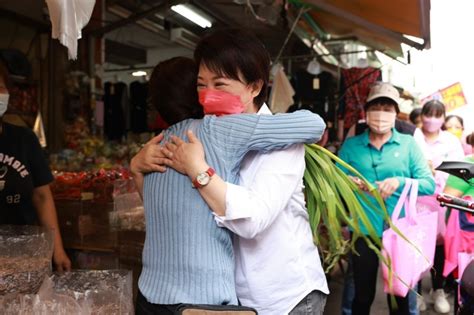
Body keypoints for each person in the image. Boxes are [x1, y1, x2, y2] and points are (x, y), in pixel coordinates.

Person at [142, 28, 329, 314]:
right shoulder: (205, 135)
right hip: (236, 298)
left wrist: (198, 170)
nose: (207, 97)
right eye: (201, 85)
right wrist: (138, 166)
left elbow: (253, 221)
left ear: (254, 87)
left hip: (284, 297)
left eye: (220, 85)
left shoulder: (282, 144)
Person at [338, 82, 435, 315]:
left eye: (387, 108)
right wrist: (347, 183)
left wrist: (400, 181)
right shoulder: (352, 146)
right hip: (363, 229)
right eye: (376, 106)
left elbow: (428, 183)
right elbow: (334, 181)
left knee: (401, 296)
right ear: (367, 112)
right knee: (362, 295)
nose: (381, 113)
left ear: (395, 113)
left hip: (400, 231)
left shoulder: (408, 144)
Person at [0, 63, 71, 272]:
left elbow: (42, 196)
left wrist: (57, 248)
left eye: (0, 87)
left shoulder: (24, 139)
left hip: (25, 258)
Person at [413, 100, 465, 314]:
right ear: (422, 116)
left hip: (443, 202)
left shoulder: (451, 142)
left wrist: (439, 170)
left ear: (443, 118)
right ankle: (415, 293)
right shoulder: (412, 139)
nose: (432, 119)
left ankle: (438, 290)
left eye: (437, 115)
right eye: (428, 114)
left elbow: (462, 172)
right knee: (415, 247)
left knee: (440, 248)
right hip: (416, 202)